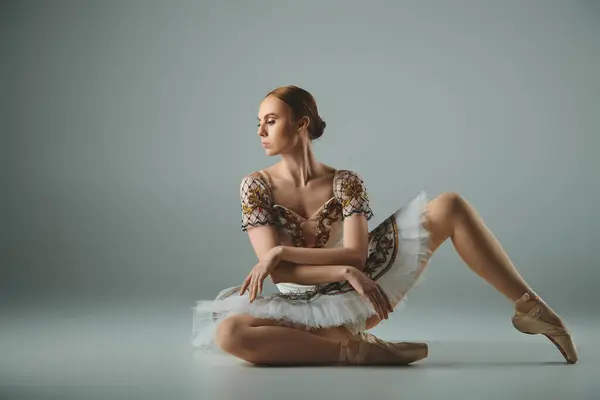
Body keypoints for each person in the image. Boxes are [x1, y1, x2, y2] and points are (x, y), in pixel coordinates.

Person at [190, 85, 578, 366]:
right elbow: (284, 272)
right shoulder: (255, 186)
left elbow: (357, 256)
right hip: (299, 300)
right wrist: (307, 261)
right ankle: (354, 350)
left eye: (270, 121)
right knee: (229, 334)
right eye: (259, 122)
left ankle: (533, 308)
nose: (260, 131)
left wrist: (287, 253)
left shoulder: (346, 181)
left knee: (450, 206)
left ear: (302, 123)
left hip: (360, 289)